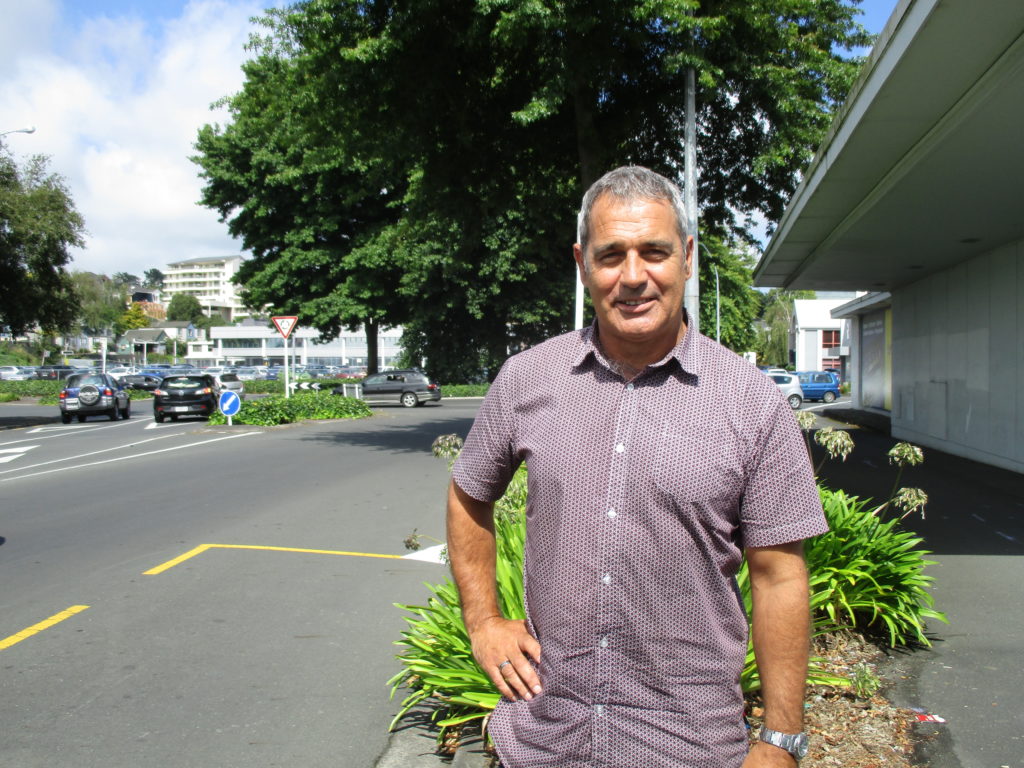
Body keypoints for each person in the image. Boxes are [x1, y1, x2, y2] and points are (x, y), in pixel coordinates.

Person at [447, 166, 827, 767]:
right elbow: (469, 493)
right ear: (582, 263)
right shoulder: (527, 379)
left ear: (688, 258)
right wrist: (483, 621)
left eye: (654, 252)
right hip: (545, 741)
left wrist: (781, 741)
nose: (632, 277)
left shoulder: (751, 401)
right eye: (611, 255)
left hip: (688, 748)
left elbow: (780, 577)